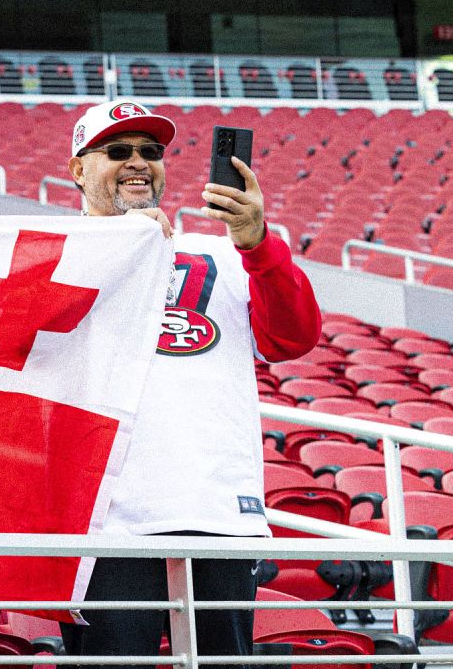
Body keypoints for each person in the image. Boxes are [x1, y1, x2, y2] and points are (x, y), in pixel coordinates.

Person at [59, 99, 322, 664]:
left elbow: (293, 339)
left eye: (150, 152)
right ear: (78, 169)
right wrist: (118, 248)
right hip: (104, 522)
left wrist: (258, 243)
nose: (137, 162)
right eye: (118, 151)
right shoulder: (50, 251)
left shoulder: (225, 253)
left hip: (217, 510)